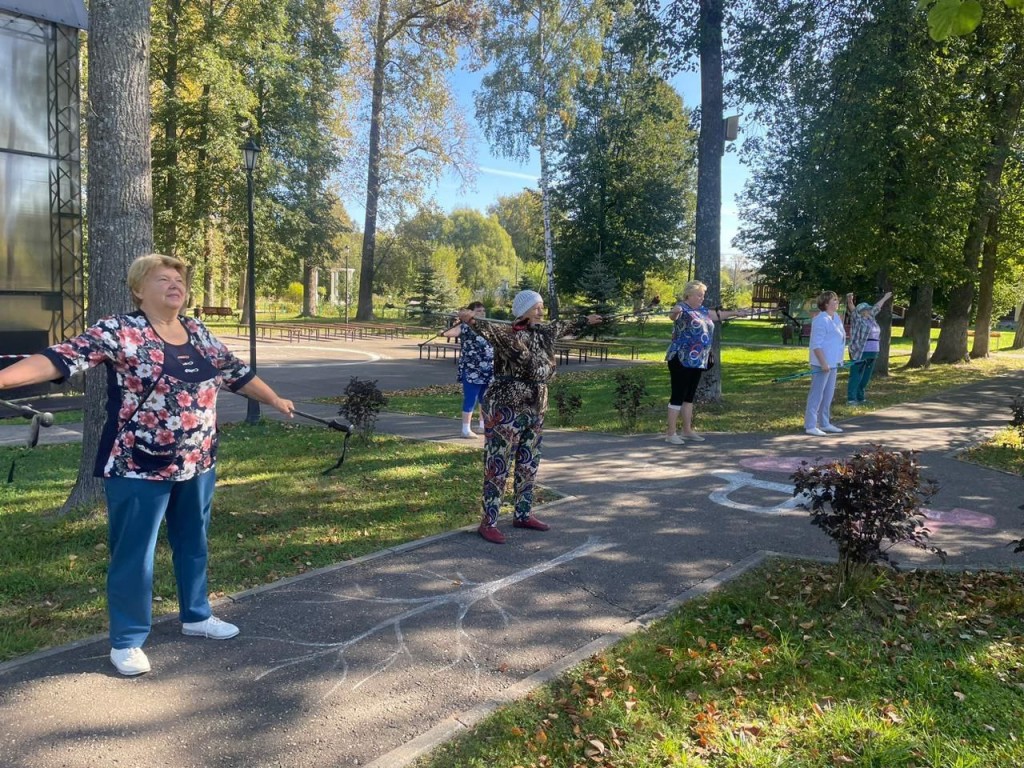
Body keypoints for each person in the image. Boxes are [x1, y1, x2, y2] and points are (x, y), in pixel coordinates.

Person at [0, 254, 295, 676]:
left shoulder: (198, 332)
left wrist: (274, 399)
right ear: (139, 289)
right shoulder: (120, 331)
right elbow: (61, 358)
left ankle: (196, 615)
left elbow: (236, 373)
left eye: (180, 279)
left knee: (194, 541)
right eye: (163, 278)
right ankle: (127, 639)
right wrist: (3, 378)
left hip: (197, 461)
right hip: (139, 465)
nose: (176, 284)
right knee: (134, 554)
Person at [457, 290, 602, 544]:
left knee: (528, 463)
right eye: (535, 307)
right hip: (506, 406)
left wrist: (586, 320)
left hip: (536, 407)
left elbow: (565, 324)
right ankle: (488, 522)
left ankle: (523, 514)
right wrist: (470, 318)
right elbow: (484, 328)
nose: (540, 311)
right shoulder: (506, 334)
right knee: (498, 465)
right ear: (522, 310)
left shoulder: (545, 333)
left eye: (542, 307)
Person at [664, 281, 748, 444]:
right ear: (689, 295)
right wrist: (675, 312)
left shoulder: (702, 311)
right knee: (677, 395)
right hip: (680, 358)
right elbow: (673, 316)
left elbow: (717, 315)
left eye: (703, 295)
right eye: (699, 295)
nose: (702, 298)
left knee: (689, 397)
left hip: (697, 360)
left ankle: (687, 430)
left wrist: (737, 313)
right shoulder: (682, 308)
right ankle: (670, 433)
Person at [441, 301, 494, 437]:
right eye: (478, 311)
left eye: (483, 310)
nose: (482, 313)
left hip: (488, 368)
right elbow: (446, 333)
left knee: (485, 398)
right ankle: (466, 429)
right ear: (471, 313)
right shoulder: (465, 326)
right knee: (471, 398)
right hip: (471, 369)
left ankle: (483, 425)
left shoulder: (488, 326)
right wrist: (459, 320)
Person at [804, 290, 846, 437]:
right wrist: (823, 363)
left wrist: (839, 359)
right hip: (822, 363)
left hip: (834, 362)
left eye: (837, 300)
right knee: (817, 394)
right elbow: (816, 344)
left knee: (828, 394)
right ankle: (810, 425)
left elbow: (838, 340)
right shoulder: (821, 319)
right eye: (834, 300)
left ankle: (824, 423)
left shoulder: (836, 318)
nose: (837, 302)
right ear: (826, 303)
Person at [845, 290, 892, 405]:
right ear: (860, 311)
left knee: (866, 376)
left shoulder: (872, 319)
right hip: (861, 351)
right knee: (856, 374)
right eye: (865, 309)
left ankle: (861, 398)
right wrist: (849, 300)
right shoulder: (858, 320)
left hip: (873, 352)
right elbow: (852, 308)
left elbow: (877, 307)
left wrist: (885, 297)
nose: (868, 311)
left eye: (868, 309)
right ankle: (851, 399)